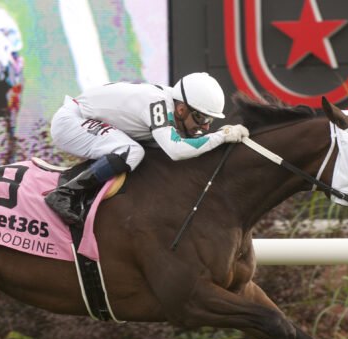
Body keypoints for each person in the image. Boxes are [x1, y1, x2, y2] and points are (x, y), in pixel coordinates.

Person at [45, 72, 249, 225]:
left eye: (210, 120)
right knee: (132, 152)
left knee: (147, 150)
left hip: (87, 118)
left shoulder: (172, 104)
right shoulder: (157, 104)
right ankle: (65, 194)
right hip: (71, 121)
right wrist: (221, 136)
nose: (205, 126)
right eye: (202, 118)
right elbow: (176, 150)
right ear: (181, 109)